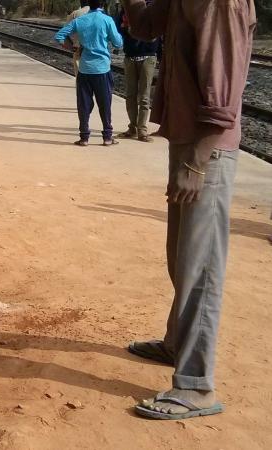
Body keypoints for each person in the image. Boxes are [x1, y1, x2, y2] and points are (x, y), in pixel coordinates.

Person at [121, 0, 256, 420]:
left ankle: (196, 386)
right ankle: (177, 342)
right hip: (186, 142)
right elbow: (144, 26)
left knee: (201, 269)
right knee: (181, 260)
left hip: (206, 151)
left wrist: (196, 162)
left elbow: (224, 93)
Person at [55, 0, 123, 147]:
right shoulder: (107, 20)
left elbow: (59, 36)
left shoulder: (79, 20)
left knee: (84, 104)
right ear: (102, 4)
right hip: (102, 69)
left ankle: (84, 137)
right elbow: (118, 43)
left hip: (84, 68)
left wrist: (72, 48)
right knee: (105, 103)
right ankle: (107, 137)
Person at [115, 4, 160, 142]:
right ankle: (132, 127)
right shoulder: (125, 10)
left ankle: (142, 130)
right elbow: (118, 28)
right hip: (130, 57)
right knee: (130, 95)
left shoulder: (152, 8)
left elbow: (159, 30)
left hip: (148, 56)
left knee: (144, 96)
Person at [64, 1, 90, 75]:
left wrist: (72, 46)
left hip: (79, 51)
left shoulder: (75, 14)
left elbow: (63, 34)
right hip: (98, 54)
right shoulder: (103, 15)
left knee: (81, 80)